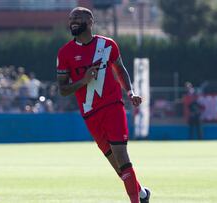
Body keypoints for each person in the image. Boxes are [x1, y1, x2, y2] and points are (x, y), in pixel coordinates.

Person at [56, 7, 150, 203]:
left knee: (122, 157)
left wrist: (130, 92)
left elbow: (121, 70)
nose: (73, 21)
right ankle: (142, 194)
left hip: (113, 107)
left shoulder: (107, 45)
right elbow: (63, 89)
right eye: (71, 18)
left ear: (90, 22)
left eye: (78, 18)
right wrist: (83, 81)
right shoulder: (65, 53)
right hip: (90, 114)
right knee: (117, 165)